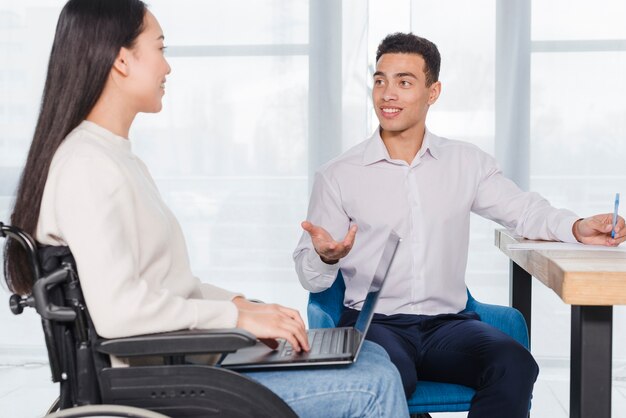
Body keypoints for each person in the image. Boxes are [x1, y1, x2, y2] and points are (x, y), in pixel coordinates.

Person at [2, 1, 410, 417]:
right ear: (122, 60)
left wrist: (246, 307)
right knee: (372, 384)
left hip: (183, 366)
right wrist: (236, 318)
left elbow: (162, 287)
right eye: (160, 49)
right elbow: (120, 312)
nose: (168, 68)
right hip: (167, 385)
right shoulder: (87, 166)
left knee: (373, 356)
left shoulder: (113, 159)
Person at [294, 32, 626, 418]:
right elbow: (312, 281)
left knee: (514, 364)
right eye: (380, 80)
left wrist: (578, 226)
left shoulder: (465, 163)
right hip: (375, 326)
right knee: (387, 376)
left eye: (404, 82)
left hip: (447, 326)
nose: (387, 93)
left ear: (432, 92)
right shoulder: (339, 174)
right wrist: (324, 256)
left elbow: (524, 210)